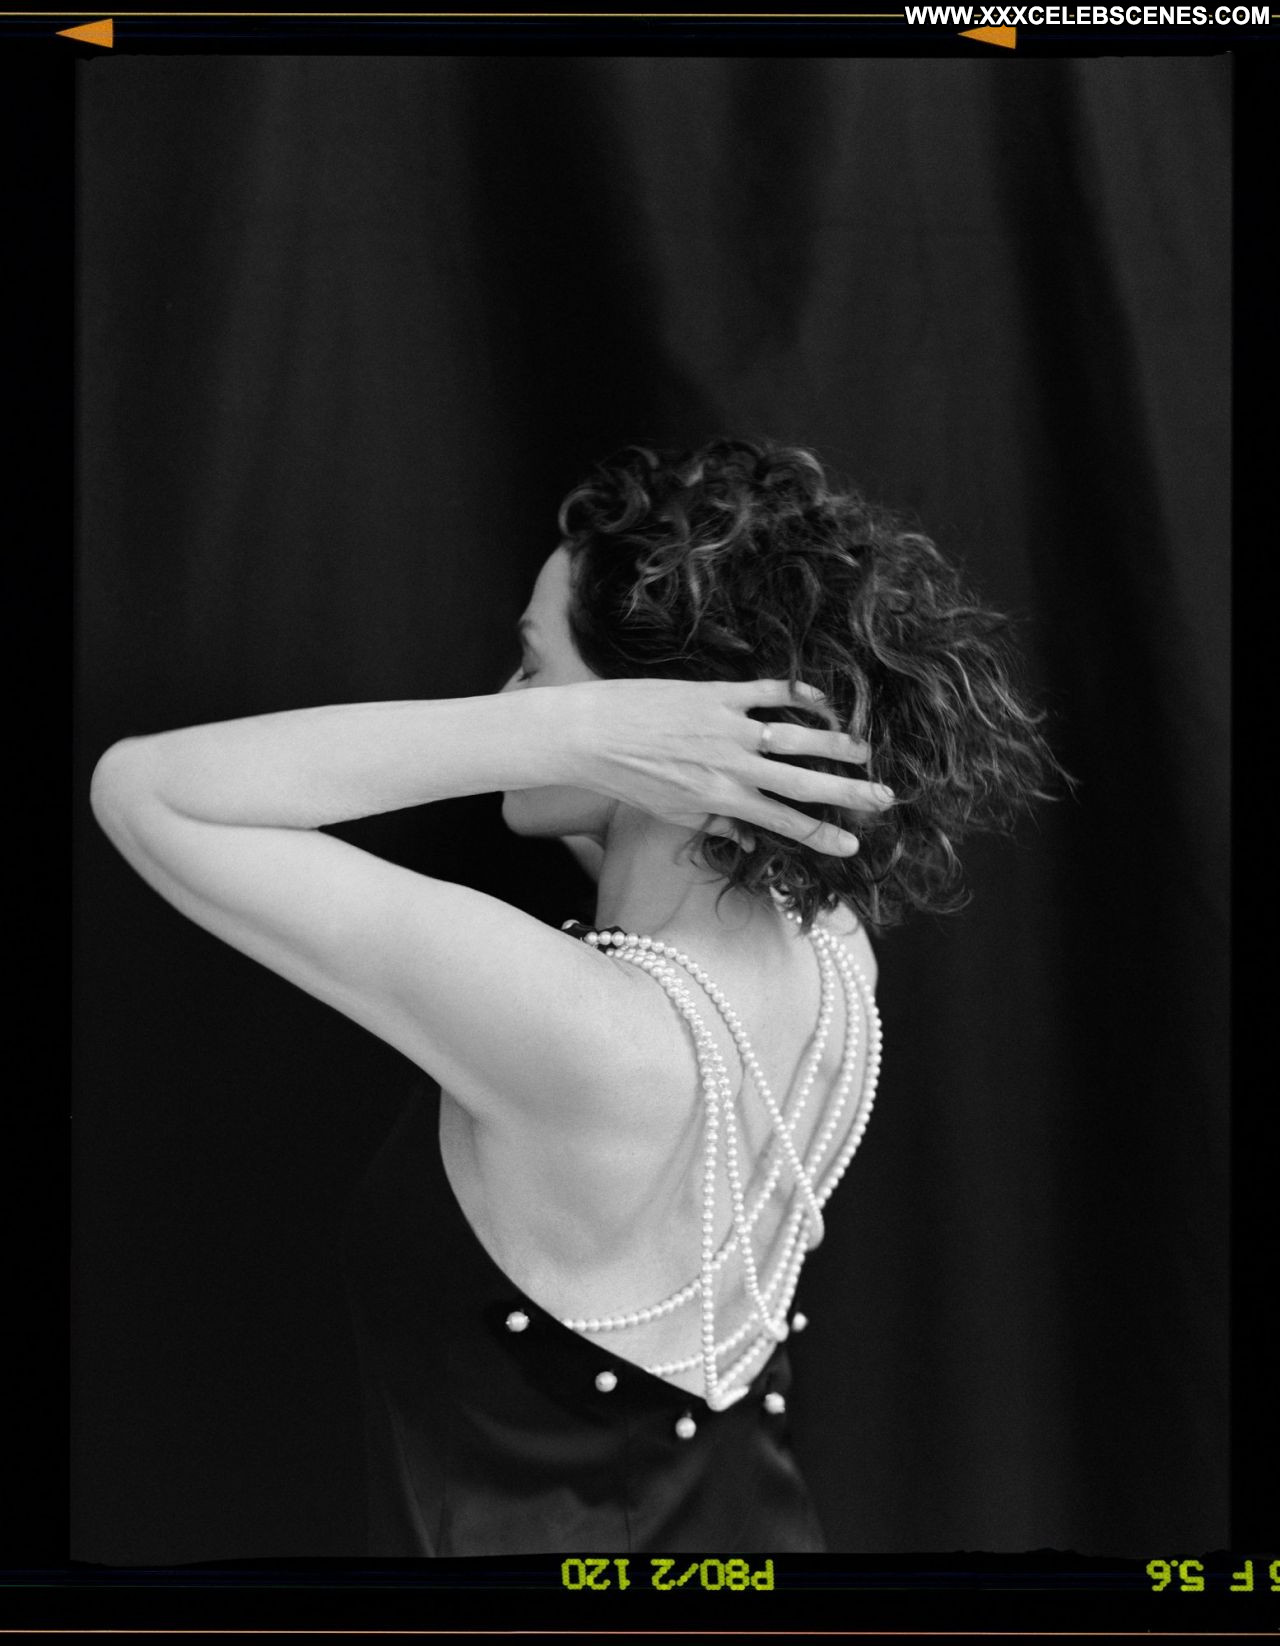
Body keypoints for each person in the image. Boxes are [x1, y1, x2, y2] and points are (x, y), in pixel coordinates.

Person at [90, 437, 1061, 1556]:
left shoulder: (588, 1032)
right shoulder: (832, 953)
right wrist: (606, 726)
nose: (509, 699)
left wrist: (572, 732)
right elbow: (680, 857)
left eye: (531, 666)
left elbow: (144, 788)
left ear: (646, 722)